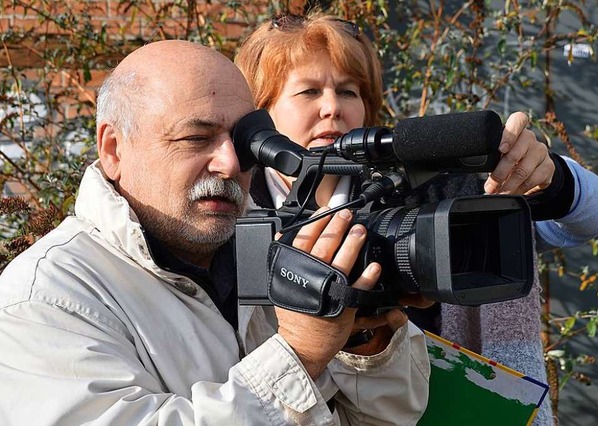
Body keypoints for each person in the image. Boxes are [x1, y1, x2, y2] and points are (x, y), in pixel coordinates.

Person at [0, 40, 432, 424]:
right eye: (195, 138)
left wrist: (367, 343)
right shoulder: (44, 297)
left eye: (243, 141)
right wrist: (299, 354)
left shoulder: (278, 249)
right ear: (114, 149)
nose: (229, 163)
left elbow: (390, 417)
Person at [234, 12, 598, 425]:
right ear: (262, 112)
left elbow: (594, 215)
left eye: (348, 91)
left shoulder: (424, 191)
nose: (332, 108)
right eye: (309, 91)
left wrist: (549, 175)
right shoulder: (229, 208)